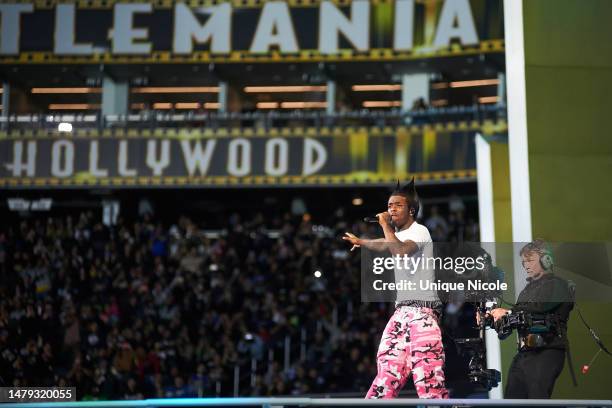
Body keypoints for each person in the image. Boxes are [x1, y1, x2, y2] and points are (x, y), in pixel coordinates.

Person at [343, 178, 449, 399]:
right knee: (386, 377)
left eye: (397, 205)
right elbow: (384, 243)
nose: (391, 209)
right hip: (401, 313)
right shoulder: (398, 235)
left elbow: (399, 250)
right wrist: (362, 242)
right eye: (389, 205)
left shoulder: (420, 231)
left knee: (428, 382)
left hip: (423, 313)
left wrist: (384, 224)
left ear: (411, 210)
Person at [487, 240, 574, 399]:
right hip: (524, 354)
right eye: (524, 262)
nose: (526, 265)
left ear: (546, 260)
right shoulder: (526, 291)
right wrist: (491, 318)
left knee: (537, 401)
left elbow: (540, 306)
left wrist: (506, 311)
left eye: (530, 260)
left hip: (547, 351)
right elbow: (515, 319)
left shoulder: (558, 285)